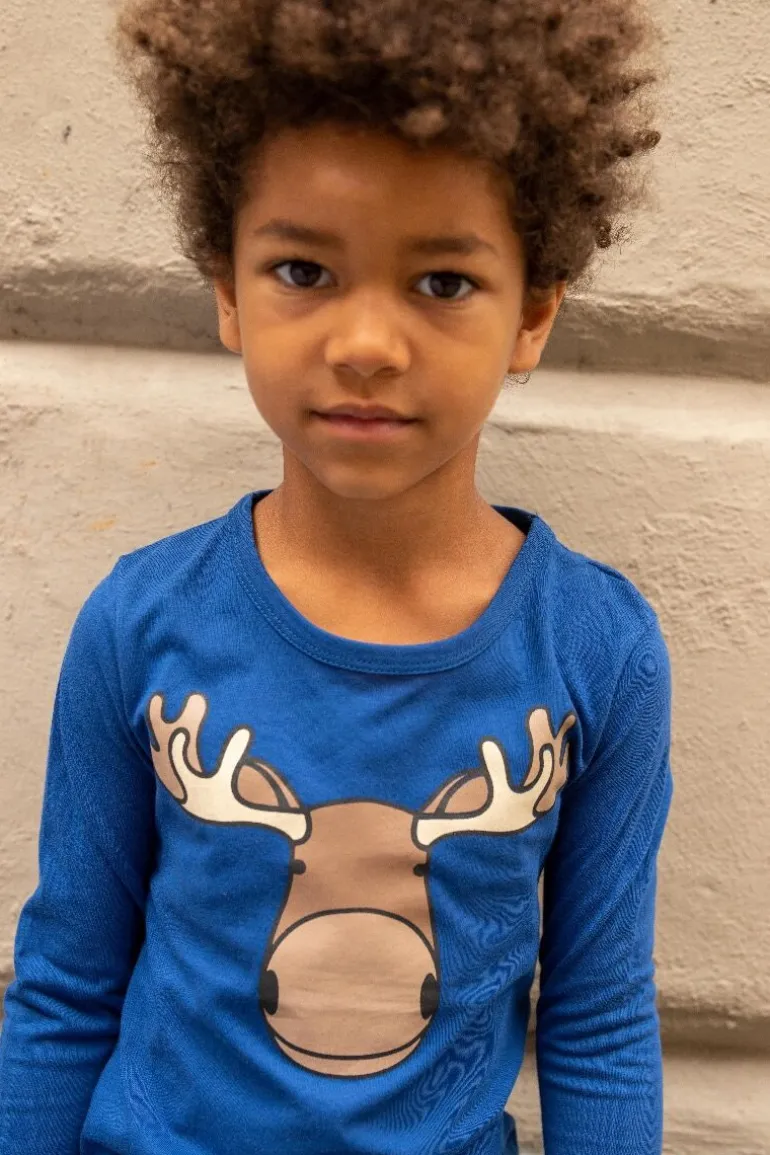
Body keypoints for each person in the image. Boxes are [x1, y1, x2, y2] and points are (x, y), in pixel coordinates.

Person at [0, 1, 673, 1153]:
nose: (365, 344)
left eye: (442, 282)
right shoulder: (139, 622)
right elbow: (64, 989)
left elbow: (598, 1020)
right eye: (303, 269)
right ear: (227, 291)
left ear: (533, 314)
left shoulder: (598, 651)